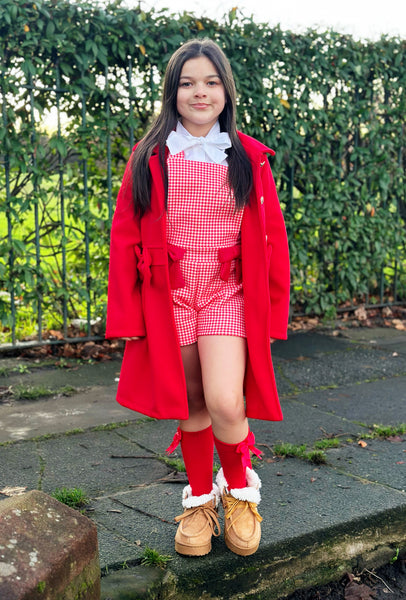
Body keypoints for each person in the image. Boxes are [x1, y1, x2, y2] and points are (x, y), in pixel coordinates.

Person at [106, 38, 290, 558]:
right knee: (189, 400)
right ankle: (199, 500)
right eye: (187, 82)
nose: (199, 92)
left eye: (210, 82)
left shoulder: (248, 158)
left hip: (227, 292)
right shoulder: (148, 157)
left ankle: (239, 492)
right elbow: (124, 235)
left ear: (226, 92)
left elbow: (272, 235)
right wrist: (126, 313)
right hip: (171, 295)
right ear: (173, 92)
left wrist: (274, 306)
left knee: (226, 399)